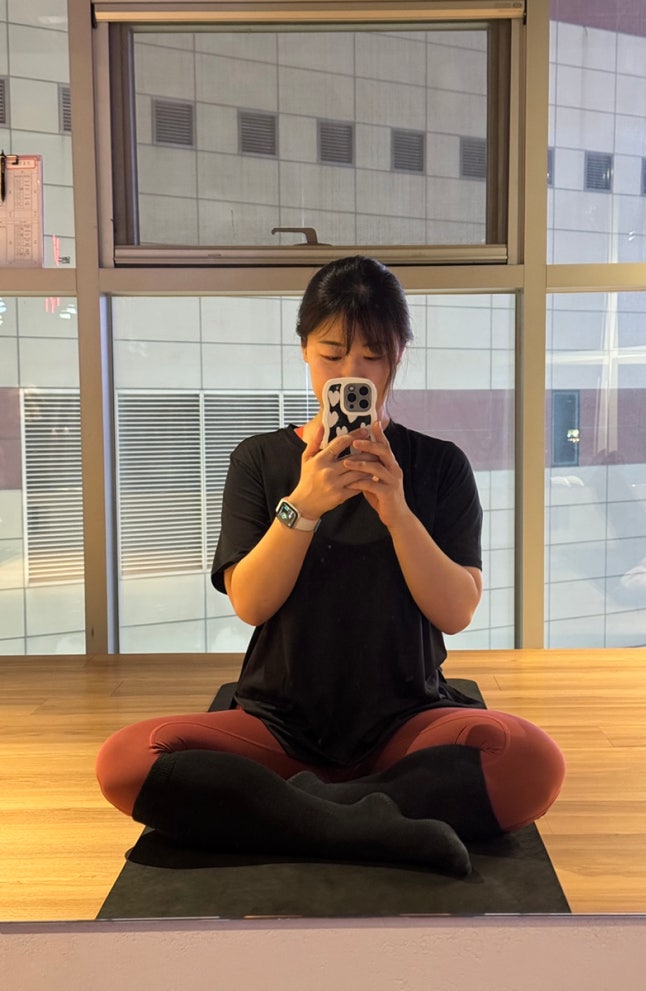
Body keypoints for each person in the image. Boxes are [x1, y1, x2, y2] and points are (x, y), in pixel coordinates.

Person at [96, 255, 565, 876]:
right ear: (304, 350)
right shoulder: (259, 460)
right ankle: (371, 818)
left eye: (372, 355)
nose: (351, 373)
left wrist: (397, 512)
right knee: (125, 760)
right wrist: (303, 505)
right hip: (279, 723)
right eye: (332, 353)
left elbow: (456, 612)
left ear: (397, 357)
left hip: (408, 721)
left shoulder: (439, 465)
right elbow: (251, 604)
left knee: (534, 761)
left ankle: (295, 816)